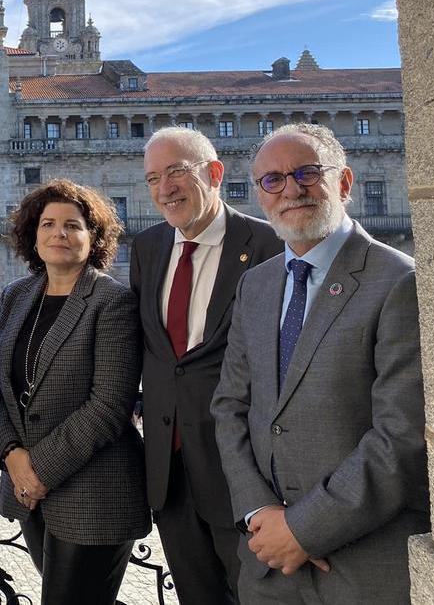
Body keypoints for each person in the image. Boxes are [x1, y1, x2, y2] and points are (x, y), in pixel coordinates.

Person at [212, 124, 430, 603]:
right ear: (260, 196)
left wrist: (304, 530)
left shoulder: (398, 281)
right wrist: (257, 512)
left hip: (361, 564)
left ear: (345, 183)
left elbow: (403, 435)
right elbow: (230, 407)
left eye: (306, 174)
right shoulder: (257, 284)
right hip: (267, 563)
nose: (290, 189)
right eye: (273, 181)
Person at [0, 179, 150, 604]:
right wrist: (11, 455)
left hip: (95, 495)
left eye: (73, 225)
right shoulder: (16, 296)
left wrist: (37, 469)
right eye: (48, 224)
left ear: (93, 238)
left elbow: (110, 405)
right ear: (32, 235)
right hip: (30, 495)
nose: (59, 234)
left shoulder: (111, 301)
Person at [130, 127, 282, 603]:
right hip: (169, 471)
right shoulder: (148, 247)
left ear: (215, 173)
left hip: (241, 472)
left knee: (258, 595)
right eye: (154, 177)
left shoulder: (268, 245)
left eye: (177, 171)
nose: (164, 188)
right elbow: (156, 351)